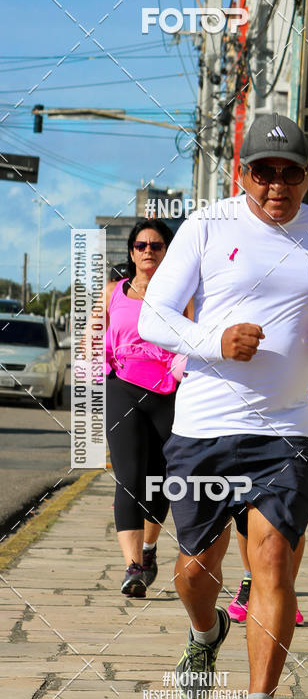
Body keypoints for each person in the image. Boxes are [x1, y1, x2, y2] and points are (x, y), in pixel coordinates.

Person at [138, 112, 308, 699]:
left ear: (306, 174)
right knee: (194, 568)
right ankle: (205, 634)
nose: (277, 186)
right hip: (205, 426)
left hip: (286, 430)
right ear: (244, 173)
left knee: (272, 564)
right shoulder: (208, 226)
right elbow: (155, 315)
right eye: (264, 172)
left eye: (290, 173)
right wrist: (214, 340)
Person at [105, 219, 191, 598]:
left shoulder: (183, 294)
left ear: (167, 251)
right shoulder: (111, 293)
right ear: (131, 251)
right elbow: (95, 341)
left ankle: (150, 548)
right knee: (129, 477)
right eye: (141, 245)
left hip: (169, 393)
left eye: (156, 245)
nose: (148, 251)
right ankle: (133, 567)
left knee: (162, 479)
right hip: (121, 388)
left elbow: (192, 338)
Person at [227, 348, 308, 626]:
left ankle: (283, 588)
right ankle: (250, 581)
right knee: (245, 500)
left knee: (294, 504)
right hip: (253, 395)